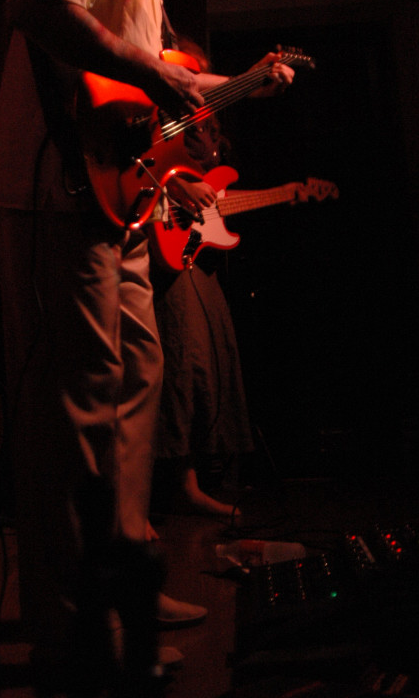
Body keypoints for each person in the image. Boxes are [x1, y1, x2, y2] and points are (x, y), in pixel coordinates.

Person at [0, 0, 294, 687]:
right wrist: (160, 73)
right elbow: (35, 3)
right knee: (80, 406)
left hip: (120, 198)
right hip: (55, 190)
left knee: (134, 385)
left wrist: (234, 87)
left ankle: (126, 585)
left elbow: (149, 96)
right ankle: (75, 628)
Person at [149, 39, 254, 524]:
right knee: (177, 362)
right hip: (160, 247)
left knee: (207, 360)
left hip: (194, 253)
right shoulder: (162, 118)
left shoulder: (206, 121)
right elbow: (144, 164)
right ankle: (171, 489)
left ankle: (196, 481)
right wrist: (177, 185)